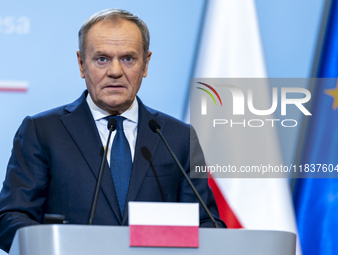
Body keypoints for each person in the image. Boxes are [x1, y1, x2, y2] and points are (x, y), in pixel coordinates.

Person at [0, 8, 225, 253]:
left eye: (128, 58)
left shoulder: (178, 137)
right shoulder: (43, 132)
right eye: (102, 59)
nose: (115, 71)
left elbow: (207, 224)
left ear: (146, 63)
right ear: (81, 63)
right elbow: (12, 218)